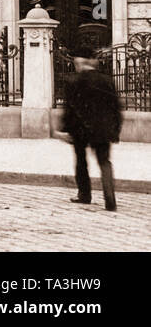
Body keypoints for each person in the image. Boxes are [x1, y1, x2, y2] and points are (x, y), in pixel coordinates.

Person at [61, 43, 122, 212]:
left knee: (81, 161)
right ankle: (110, 200)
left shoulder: (73, 81)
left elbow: (69, 109)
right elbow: (116, 107)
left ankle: (84, 194)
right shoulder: (107, 80)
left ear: (79, 63)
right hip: (103, 128)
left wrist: (65, 129)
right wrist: (116, 130)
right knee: (104, 162)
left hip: (80, 129)